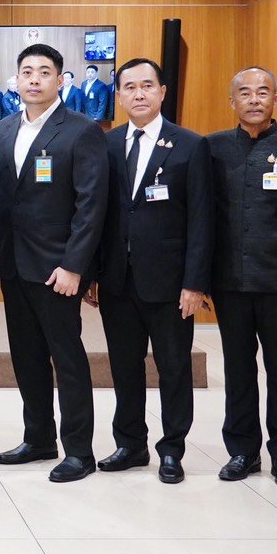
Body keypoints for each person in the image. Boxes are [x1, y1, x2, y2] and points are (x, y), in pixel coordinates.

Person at [91, 58, 213, 485]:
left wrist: (195, 283)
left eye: (147, 85)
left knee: (174, 368)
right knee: (124, 367)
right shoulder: (105, 144)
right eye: (129, 87)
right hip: (117, 280)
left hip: (170, 282)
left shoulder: (190, 145)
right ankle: (130, 444)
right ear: (119, 95)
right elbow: (96, 214)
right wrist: (93, 274)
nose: (138, 93)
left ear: (162, 92)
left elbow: (202, 220)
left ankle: (172, 449)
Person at [0, 44, 108, 483]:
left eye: (44, 72)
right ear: (17, 80)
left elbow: (91, 205)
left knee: (67, 358)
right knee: (27, 356)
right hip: (15, 264)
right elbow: (1, 201)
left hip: (58, 268)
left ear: (60, 80)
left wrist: (75, 265)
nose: (35, 79)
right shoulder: (4, 128)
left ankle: (79, 451)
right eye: (27, 72)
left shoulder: (81, 130)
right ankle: (38, 438)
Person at [205, 67, 277, 489]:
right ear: (231, 101)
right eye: (245, 93)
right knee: (237, 369)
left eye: (263, 92)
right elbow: (203, 217)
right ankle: (242, 450)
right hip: (229, 281)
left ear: (275, 98)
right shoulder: (214, 147)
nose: (254, 99)